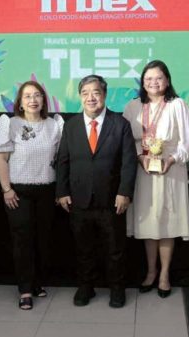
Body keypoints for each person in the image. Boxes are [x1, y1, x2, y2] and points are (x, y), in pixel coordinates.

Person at [56, 75, 137, 308]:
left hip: (112, 200)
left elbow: (128, 163)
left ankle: (117, 290)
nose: (90, 98)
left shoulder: (120, 124)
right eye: (85, 93)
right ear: (80, 97)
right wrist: (62, 191)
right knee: (83, 250)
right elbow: (63, 160)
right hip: (79, 199)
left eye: (96, 92)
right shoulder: (70, 125)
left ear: (104, 95)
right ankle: (86, 288)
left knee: (115, 250)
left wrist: (125, 192)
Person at [123, 60, 189, 298]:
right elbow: (125, 142)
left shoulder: (177, 105)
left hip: (170, 171)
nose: (153, 83)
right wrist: (139, 157)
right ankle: (150, 272)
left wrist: (171, 160)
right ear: (142, 82)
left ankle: (164, 275)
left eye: (158, 78)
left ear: (167, 80)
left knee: (166, 223)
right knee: (148, 224)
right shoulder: (133, 106)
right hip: (143, 172)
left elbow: (187, 142)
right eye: (148, 79)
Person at [0, 81, 64, 310]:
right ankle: (24, 289)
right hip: (18, 191)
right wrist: (6, 189)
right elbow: (1, 158)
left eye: (37, 96)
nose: (33, 100)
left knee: (42, 239)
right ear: (20, 102)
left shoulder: (55, 125)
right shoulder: (10, 123)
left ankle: (36, 282)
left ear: (44, 100)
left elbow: (62, 161)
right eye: (27, 96)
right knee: (22, 240)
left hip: (47, 190)